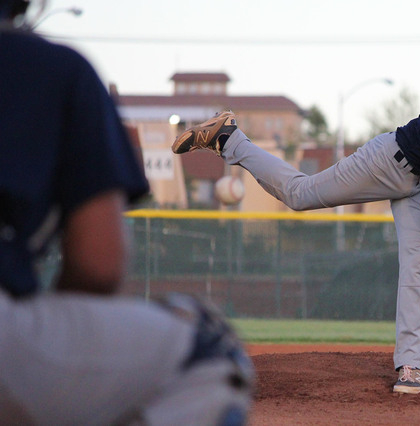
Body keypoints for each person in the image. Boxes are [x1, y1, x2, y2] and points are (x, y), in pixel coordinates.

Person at [173, 48, 420, 394]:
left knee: (417, 266)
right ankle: (230, 138)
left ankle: (410, 365)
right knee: (300, 194)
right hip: (388, 163)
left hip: (419, 180)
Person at [0, 1, 253, 424]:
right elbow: (99, 266)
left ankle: (231, 139)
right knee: (209, 350)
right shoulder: (49, 68)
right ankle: (230, 139)